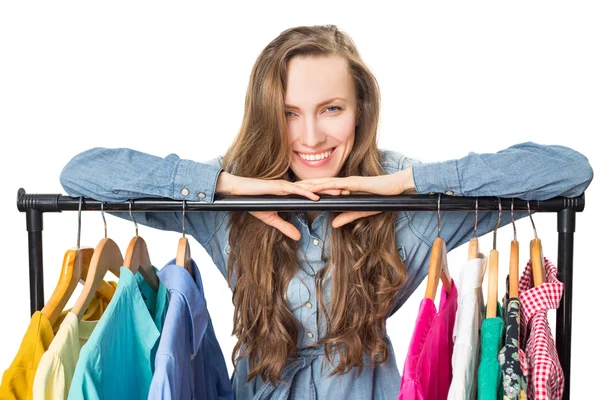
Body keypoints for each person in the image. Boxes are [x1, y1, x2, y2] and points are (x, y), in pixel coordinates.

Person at [59, 24, 593, 399]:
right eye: (289, 114)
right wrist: (223, 185)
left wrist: (409, 183)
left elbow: (567, 169)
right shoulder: (229, 195)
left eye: (331, 109)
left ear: (360, 107)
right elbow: (83, 173)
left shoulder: (403, 195)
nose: (311, 136)